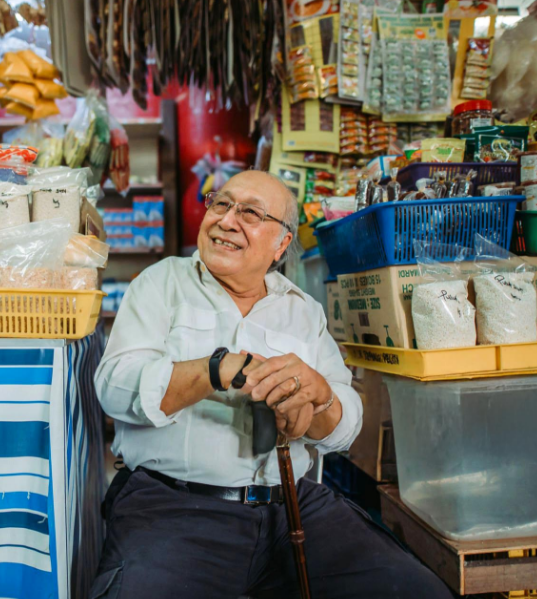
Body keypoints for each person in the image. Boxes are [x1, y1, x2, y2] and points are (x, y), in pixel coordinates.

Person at [91, 170, 453, 599]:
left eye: (250, 213)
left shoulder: (303, 311)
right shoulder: (161, 283)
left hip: (293, 508)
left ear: (281, 245)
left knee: (414, 591)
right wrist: (216, 369)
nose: (227, 220)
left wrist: (318, 399)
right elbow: (114, 388)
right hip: (175, 507)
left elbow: (346, 428)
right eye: (221, 204)